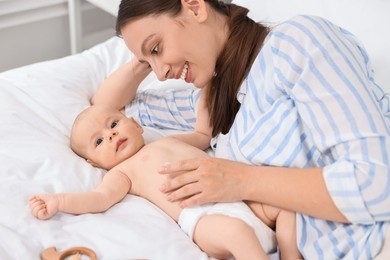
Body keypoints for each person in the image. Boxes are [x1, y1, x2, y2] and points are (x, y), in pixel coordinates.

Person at [114, 0, 390, 259]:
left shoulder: (296, 42)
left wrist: (241, 180)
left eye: (156, 48)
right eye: (150, 62)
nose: (160, 74)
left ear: (196, 7)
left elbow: (378, 183)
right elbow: (113, 110)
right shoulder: (213, 99)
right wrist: (142, 59)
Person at [29, 104, 302, 259]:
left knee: (288, 203)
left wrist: (207, 87)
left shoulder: (166, 140)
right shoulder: (123, 172)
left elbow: (202, 135)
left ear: (135, 124)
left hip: (238, 193)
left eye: (113, 124)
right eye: (98, 141)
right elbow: (100, 199)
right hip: (205, 216)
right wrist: (59, 201)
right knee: (237, 233)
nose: (110, 135)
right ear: (94, 164)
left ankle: (291, 255)